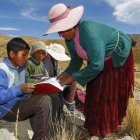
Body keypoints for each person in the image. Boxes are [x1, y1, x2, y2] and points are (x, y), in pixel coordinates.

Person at [43, 3, 134, 140]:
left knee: (105, 94)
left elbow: (97, 65)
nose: (60, 34)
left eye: (62, 29)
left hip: (114, 57)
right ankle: (93, 126)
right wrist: (64, 75)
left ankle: (100, 132)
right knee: (93, 92)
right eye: (58, 31)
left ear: (72, 24)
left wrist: (72, 77)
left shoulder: (90, 33)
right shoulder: (69, 39)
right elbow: (76, 61)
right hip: (97, 60)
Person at [0, 38, 60, 140]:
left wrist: (38, 87)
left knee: (53, 94)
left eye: (27, 55)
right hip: (7, 110)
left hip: (21, 102)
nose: (26, 58)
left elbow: (25, 87)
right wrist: (19, 89)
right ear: (12, 54)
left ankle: (53, 130)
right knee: (43, 101)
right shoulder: (3, 69)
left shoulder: (21, 68)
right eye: (24, 55)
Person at [43, 43, 77, 111]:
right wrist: (58, 79)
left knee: (72, 78)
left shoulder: (53, 60)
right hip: (48, 83)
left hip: (52, 80)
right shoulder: (47, 61)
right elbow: (45, 78)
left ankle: (69, 103)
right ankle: (70, 104)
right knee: (72, 79)